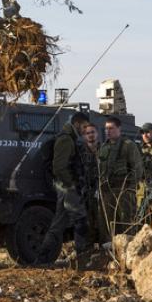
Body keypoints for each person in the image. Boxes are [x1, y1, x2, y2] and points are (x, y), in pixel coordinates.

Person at [35, 113, 94, 267]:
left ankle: (42, 258)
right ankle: (82, 259)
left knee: (58, 224)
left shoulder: (70, 138)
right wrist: (71, 184)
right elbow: (59, 167)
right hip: (68, 188)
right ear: (77, 124)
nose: (85, 130)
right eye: (84, 126)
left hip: (66, 188)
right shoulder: (66, 139)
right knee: (80, 220)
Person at [96, 116, 144, 242]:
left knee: (126, 220)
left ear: (119, 129)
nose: (108, 131)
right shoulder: (103, 147)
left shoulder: (128, 145)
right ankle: (108, 246)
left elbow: (137, 168)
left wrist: (130, 188)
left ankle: (128, 243)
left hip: (124, 190)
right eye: (106, 128)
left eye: (111, 128)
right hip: (107, 191)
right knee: (107, 220)